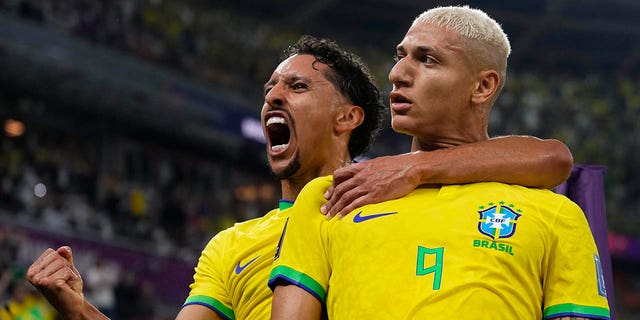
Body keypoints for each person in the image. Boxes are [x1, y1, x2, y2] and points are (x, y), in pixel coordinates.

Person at [27, 35, 572, 320]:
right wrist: (79, 311)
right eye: (270, 87)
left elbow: (550, 160)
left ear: (347, 117)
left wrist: (414, 166)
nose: (272, 96)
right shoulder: (232, 245)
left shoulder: (404, 197)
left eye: (297, 87)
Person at [269, 7, 610, 320]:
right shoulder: (331, 195)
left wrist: (416, 168)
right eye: (400, 56)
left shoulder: (556, 215)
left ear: (483, 86)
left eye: (427, 59)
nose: (397, 74)